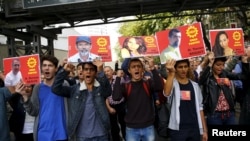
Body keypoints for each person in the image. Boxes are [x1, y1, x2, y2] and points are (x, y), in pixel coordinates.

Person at [51, 59, 112, 141]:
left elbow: (108, 91)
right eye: (86, 69)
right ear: (82, 72)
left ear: (95, 73)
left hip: (101, 135)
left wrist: (101, 71)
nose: (88, 72)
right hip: (81, 136)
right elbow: (55, 89)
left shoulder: (100, 89)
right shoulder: (74, 90)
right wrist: (64, 71)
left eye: (92, 69)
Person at [112, 57, 163, 141]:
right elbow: (116, 97)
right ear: (129, 70)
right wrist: (118, 77)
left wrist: (153, 68)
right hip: (131, 129)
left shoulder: (148, 83)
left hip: (148, 127)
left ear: (142, 69)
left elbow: (159, 87)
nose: (136, 68)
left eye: (139, 66)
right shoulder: (126, 86)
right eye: (133, 67)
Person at [21, 55, 68, 141]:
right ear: (41, 68)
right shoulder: (37, 87)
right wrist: (25, 96)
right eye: (44, 65)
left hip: (62, 133)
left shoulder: (64, 85)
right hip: (43, 134)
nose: (47, 68)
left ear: (56, 69)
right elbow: (33, 112)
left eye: (50, 66)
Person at [163, 59, 208, 141]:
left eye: (185, 66)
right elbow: (166, 93)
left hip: (194, 128)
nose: (183, 69)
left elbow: (200, 109)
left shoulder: (195, 86)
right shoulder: (173, 84)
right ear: (175, 69)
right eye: (180, 67)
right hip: (178, 129)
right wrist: (171, 73)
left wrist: (204, 130)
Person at [199, 52, 247, 125]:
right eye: (218, 65)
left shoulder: (224, 73)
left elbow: (242, 76)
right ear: (212, 65)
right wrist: (209, 64)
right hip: (214, 115)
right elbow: (201, 81)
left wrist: (244, 62)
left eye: (223, 65)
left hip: (229, 114)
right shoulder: (208, 77)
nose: (221, 67)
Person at [104, 66, 126, 141]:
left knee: (124, 123)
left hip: (121, 104)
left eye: (108, 71)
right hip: (110, 106)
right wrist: (109, 108)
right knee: (113, 126)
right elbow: (104, 97)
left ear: (112, 71)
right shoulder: (103, 82)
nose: (107, 73)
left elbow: (125, 89)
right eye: (105, 72)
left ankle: (125, 138)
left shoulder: (119, 78)